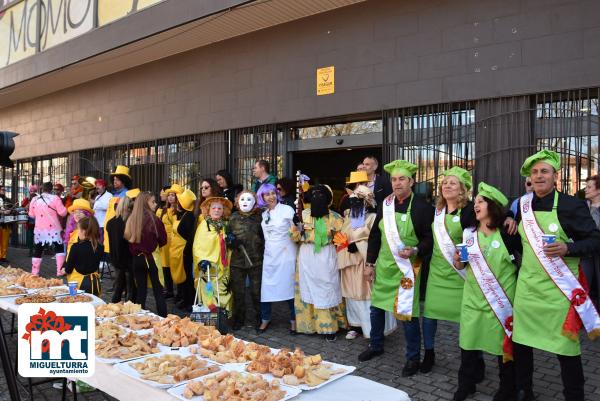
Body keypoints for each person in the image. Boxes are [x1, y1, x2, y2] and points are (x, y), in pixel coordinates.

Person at [512, 150, 600, 401]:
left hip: (560, 292)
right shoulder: (522, 206)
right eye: (535, 172)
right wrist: (508, 219)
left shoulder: (572, 205)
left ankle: (574, 396)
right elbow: (520, 242)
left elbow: (595, 240)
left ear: (555, 176)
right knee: (522, 344)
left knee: (566, 350)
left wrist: (568, 248)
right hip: (528, 289)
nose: (539, 176)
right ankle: (524, 391)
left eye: (544, 171)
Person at [358, 160, 434, 379]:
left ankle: (412, 357)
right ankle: (376, 345)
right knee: (376, 309)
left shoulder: (422, 207)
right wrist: (370, 264)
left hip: (408, 269)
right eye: (393, 179)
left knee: (406, 315)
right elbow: (375, 236)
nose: (397, 183)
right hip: (384, 266)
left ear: (411, 181)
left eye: (402, 179)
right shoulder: (386, 204)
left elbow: (430, 239)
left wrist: (417, 249)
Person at [451, 182, 520, 401]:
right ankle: (466, 385)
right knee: (468, 346)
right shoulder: (468, 233)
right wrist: (457, 261)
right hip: (473, 300)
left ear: (492, 206)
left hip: (500, 302)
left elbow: (523, 262)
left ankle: (507, 388)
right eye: (475, 201)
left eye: (481, 201)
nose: (476, 205)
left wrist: (512, 218)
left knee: (503, 349)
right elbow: (462, 265)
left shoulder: (508, 234)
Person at [422, 167, 476, 374]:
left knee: (468, 319)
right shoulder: (435, 210)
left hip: (460, 275)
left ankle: (473, 359)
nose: (447, 186)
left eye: (452, 183)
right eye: (444, 183)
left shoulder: (471, 210)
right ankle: (429, 354)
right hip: (437, 273)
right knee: (429, 316)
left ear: (463, 189)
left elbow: (477, 241)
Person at [335, 185, 396, 340]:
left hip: (364, 262)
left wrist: (359, 245)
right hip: (349, 263)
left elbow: (377, 241)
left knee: (366, 296)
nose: (353, 203)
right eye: (352, 200)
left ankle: (372, 330)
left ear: (366, 202)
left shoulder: (373, 218)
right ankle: (355, 325)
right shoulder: (348, 216)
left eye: (357, 201)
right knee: (351, 296)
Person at [292, 184, 347, 341]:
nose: (317, 198)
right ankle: (308, 326)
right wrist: (296, 227)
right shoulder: (303, 215)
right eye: (314, 194)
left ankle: (330, 327)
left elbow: (342, 240)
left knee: (327, 288)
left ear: (329, 199)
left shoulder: (336, 218)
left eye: (322, 195)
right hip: (307, 255)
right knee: (307, 288)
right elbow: (294, 238)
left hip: (327, 254)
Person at [257, 183, 297, 334]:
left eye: (273, 193)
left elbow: (296, 230)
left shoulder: (287, 210)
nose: (271, 197)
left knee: (289, 287)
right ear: (262, 197)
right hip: (270, 255)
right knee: (266, 288)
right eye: (267, 194)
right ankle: (265, 318)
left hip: (286, 254)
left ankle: (294, 320)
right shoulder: (264, 214)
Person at [125, 191, 168, 317]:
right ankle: (164, 319)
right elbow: (163, 240)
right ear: (145, 203)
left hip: (137, 259)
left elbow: (128, 240)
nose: (155, 205)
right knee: (158, 292)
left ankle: (139, 318)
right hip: (151, 259)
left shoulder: (131, 219)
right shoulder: (154, 220)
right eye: (153, 202)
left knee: (141, 292)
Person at [228, 190, 264, 330]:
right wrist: (230, 240)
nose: (245, 202)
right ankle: (239, 318)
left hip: (256, 262)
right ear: (237, 202)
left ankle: (260, 318)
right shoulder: (233, 218)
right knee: (238, 292)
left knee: (256, 292)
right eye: (242, 199)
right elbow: (226, 235)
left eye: (249, 199)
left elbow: (265, 237)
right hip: (237, 262)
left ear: (255, 202)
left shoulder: (259, 218)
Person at [193, 197, 233, 314]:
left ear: (223, 210)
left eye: (219, 208)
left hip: (224, 267)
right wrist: (201, 260)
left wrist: (230, 240)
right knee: (209, 293)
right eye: (214, 208)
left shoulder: (225, 225)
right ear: (208, 210)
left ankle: (222, 317)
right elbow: (197, 246)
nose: (216, 210)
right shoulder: (203, 226)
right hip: (209, 267)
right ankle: (210, 316)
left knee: (224, 290)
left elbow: (227, 246)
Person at [28, 182, 68, 276]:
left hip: (39, 229)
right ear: (51, 190)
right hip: (54, 228)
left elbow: (31, 215)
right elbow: (63, 213)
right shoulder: (55, 198)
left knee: (38, 249)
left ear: (42, 189)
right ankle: (59, 271)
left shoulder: (34, 199)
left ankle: (34, 272)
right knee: (59, 249)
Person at [171, 188, 197, 312]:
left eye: (180, 202)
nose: (177, 203)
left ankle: (190, 301)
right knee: (181, 278)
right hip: (177, 250)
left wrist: (186, 251)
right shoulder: (181, 215)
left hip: (184, 251)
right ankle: (184, 299)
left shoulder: (190, 217)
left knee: (187, 279)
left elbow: (188, 235)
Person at [106, 195, 135, 303]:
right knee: (130, 289)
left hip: (115, 258)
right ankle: (129, 310)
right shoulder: (127, 223)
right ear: (128, 208)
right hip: (127, 260)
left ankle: (114, 306)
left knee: (118, 287)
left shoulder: (110, 223)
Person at [64, 216, 104, 296]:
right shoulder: (100, 247)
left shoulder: (75, 247)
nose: (77, 232)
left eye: (78, 229)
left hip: (77, 284)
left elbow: (68, 269)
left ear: (84, 231)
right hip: (94, 283)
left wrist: (64, 270)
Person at [157, 184, 181, 299]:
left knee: (172, 266)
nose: (170, 197)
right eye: (169, 195)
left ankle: (174, 290)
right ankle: (169, 289)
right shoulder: (165, 209)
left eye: (173, 195)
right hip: (164, 241)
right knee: (165, 266)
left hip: (172, 241)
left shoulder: (176, 211)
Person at [103, 165, 132, 254]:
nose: (114, 182)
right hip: (111, 228)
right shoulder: (115, 194)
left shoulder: (126, 195)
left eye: (117, 180)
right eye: (114, 180)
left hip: (118, 230)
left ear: (123, 181)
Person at [583, 175, 600, 306]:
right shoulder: (582, 207)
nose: (585, 189)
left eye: (589, 187)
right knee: (584, 282)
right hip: (586, 250)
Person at [92, 179, 112, 244]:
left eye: (99, 185)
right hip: (96, 224)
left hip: (103, 225)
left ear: (104, 187)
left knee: (101, 243)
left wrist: (95, 202)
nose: (97, 187)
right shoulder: (97, 196)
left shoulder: (109, 195)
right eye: (96, 185)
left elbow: (107, 207)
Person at [21, 185, 38, 256]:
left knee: (37, 236)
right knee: (30, 236)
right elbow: (22, 208)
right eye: (31, 191)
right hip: (29, 221)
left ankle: (37, 251)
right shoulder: (27, 199)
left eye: (33, 191)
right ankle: (31, 251)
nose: (32, 192)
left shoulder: (38, 199)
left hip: (38, 221)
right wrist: (27, 206)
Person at [0, 186, 12, 265]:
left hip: (6, 223)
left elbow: (12, 208)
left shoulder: (7, 200)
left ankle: (3, 257)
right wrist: (2, 212)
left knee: (5, 240)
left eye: (5, 189)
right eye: (2, 189)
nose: (4, 191)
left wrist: (10, 210)